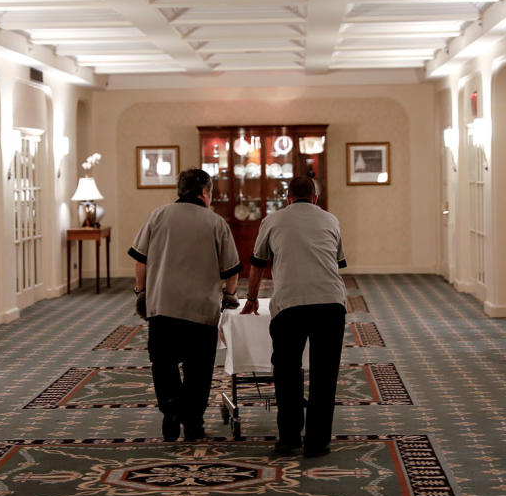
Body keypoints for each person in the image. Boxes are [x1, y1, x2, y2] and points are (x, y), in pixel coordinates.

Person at [129, 168, 241, 442]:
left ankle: (170, 412)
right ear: (205, 192)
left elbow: (140, 260)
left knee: (163, 363)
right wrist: (229, 294)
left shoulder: (158, 215)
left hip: (163, 306)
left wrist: (141, 293)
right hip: (200, 310)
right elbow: (231, 268)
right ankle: (193, 422)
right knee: (198, 369)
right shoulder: (216, 223)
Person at [242, 176, 347, 457]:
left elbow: (257, 265)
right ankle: (317, 442)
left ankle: (289, 439)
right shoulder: (331, 219)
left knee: (287, 372)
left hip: (290, 305)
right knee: (325, 375)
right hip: (331, 303)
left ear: (287, 198)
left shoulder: (272, 220)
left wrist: (252, 299)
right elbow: (338, 262)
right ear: (315, 198)